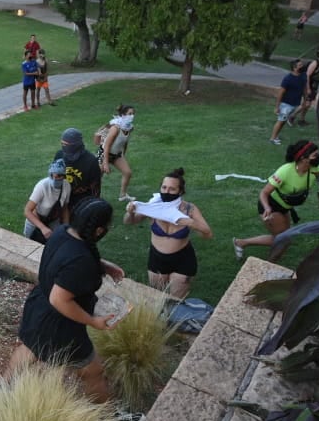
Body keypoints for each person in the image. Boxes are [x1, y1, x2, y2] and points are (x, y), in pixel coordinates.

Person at [9, 197, 124, 403]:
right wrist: (93, 321)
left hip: (38, 310)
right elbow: (59, 299)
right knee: (93, 371)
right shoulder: (79, 261)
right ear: (98, 231)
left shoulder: (62, 232)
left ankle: (2, 391)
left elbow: (66, 259)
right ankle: (108, 417)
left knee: (29, 349)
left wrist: (103, 266)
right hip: (61, 327)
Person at [123, 168, 212, 299]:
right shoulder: (153, 207)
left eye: (172, 189)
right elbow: (129, 222)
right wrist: (130, 212)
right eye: (164, 188)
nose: (166, 192)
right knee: (157, 299)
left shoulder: (189, 209)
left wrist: (190, 223)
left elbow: (208, 234)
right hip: (157, 260)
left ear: (180, 191)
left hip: (183, 260)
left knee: (175, 302)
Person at [233, 140, 319, 261]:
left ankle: (242, 243)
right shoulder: (285, 171)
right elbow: (264, 192)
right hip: (271, 206)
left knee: (284, 238)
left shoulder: (316, 169)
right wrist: (267, 208)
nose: (318, 157)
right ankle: (268, 265)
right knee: (283, 240)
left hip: (285, 208)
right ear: (303, 158)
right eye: (314, 154)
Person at [24, 159, 71, 244]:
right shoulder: (42, 186)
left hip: (53, 221)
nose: (54, 179)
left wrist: (66, 227)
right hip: (35, 221)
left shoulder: (67, 186)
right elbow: (27, 211)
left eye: (58, 176)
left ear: (64, 176)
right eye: (52, 175)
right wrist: (42, 228)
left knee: (55, 245)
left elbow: (65, 208)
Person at [54, 128, 102, 209]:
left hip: (82, 200)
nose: (63, 146)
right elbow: (54, 177)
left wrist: (94, 206)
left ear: (76, 144)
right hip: (62, 196)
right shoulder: (59, 155)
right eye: (62, 143)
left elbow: (95, 187)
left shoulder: (91, 161)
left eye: (66, 144)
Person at [99, 105, 136, 202]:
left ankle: (123, 195)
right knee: (98, 176)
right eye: (130, 114)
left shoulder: (129, 128)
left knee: (127, 172)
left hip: (116, 155)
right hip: (103, 153)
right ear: (123, 115)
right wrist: (105, 163)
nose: (132, 116)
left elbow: (125, 141)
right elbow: (106, 146)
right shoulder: (115, 128)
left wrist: (123, 153)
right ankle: (94, 196)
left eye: (133, 114)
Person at [269, 59, 307, 145]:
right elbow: (280, 93)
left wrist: (305, 100)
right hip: (285, 104)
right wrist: (277, 107)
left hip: (294, 104)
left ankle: (276, 136)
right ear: (294, 68)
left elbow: (304, 88)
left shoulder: (303, 76)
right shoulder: (288, 79)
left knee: (283, 121)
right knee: (280, 120)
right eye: (300, 65)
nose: (302, 66)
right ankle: (272, 138)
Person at [292, 48, 319, 126]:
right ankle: (291, 117)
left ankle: (301, 120)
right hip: (308, 85)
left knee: (307, 104)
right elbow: (307, 75)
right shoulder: (315, 63)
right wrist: (308, 88)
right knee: (307, 104)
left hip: (315, 86)